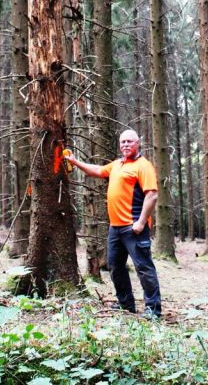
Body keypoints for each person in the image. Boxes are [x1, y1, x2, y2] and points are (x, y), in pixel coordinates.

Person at [65, 129, 162, 318]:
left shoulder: (143, 166)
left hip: (133, 227)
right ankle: (126, 304)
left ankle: (153, 309)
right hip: (115, 228)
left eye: (129, 142)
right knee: (115, 266)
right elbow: (98, 170)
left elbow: (152, 194)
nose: (125, 145)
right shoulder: (117, 165)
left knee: (144, 268)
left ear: (138, 143)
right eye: (123, 142)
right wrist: (75, 162)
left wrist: (141, 222)